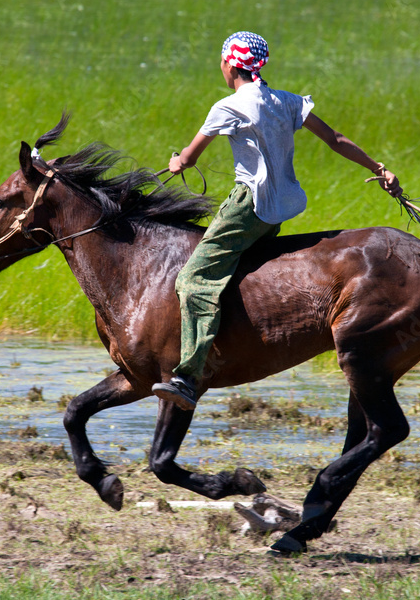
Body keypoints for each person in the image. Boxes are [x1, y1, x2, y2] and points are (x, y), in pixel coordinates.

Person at [152, 31, 403, 411]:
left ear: (229, 64)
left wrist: (176, 162)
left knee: (193, 279)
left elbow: (188, 158)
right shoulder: (287, 102)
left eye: (221, 63)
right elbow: (335, 139)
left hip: (247, 208)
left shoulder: (228, 107)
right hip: (279, 211)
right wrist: (379, 170)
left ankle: (188, 376)